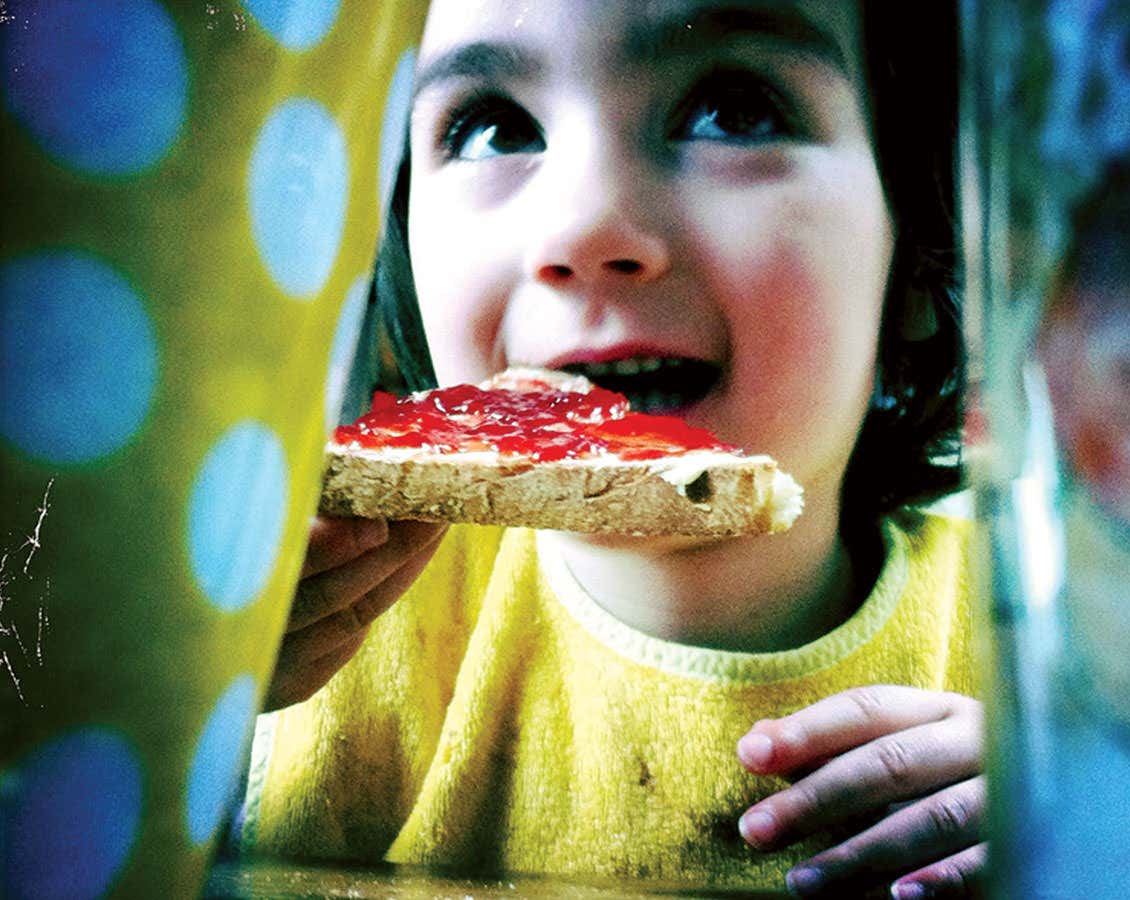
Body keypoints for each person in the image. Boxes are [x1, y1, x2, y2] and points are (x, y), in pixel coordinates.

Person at [243, 1, 985, 895]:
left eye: (734, 111)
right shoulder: (292, 618)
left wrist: (1097, 824)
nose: (583, 227)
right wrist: (187, 693)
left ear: (926, 249)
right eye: (493, 129)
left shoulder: (1055, 660)